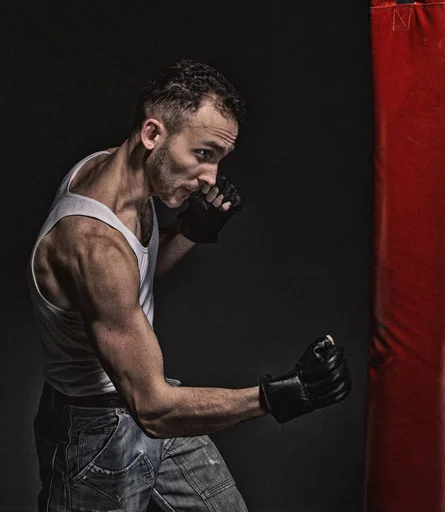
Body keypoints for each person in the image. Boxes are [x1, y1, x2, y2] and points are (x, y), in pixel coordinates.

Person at [28, 58, 352, 512]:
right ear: (153, 134)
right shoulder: (93, 246)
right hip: (98, 432)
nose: (211, 179)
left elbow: (130, 282)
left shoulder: (115, 174)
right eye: (203, 155)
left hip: (141, 399)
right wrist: (278, 396)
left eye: (218, 160)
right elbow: (155, 408)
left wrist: (190, 233)